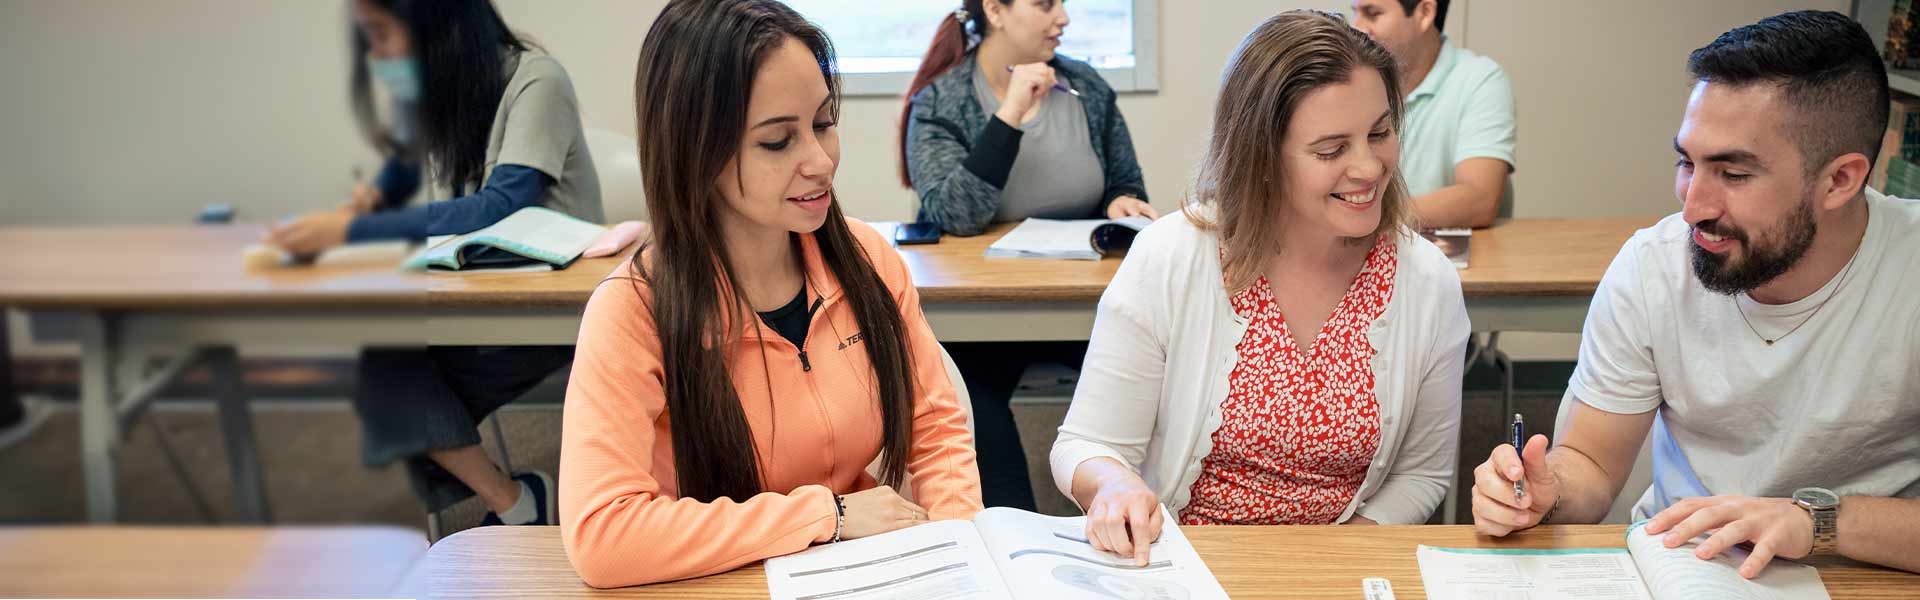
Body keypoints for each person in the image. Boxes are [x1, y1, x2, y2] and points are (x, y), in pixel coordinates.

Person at [1469, 10, 1920, 577]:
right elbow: (1590, 462)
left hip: (1867, 572)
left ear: (1840, 180)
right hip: (1684, 567)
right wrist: (1544, 492)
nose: (1693, 208)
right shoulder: (1653, 266)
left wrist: (1814, 523)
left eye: (1734, 175)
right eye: (1687, 162)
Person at [559, 0, 983, 587]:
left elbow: (935, 428)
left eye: (824, 123)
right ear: (695, 150)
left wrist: (957, 553)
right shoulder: (633, 308)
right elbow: (603, 535)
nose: (820, 161)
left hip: (857, 575)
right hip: (712, 582)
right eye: (778, 142)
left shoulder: (867, 259)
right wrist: (825, 516)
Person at [1050, 10, 1469, 566]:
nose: (1368, 166)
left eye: (1380, 132)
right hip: (1184, 559)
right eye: (1330, 150)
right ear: (1261, 156)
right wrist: (1111, 485)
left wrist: (1338, 558)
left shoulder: (1425, 280)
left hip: (1342, 560)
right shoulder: (1173, 257)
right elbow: (1086, 444)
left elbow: (1423, 472)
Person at [264, 0, 603, 526]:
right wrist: (369, 200)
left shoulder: (539, 81)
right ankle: (515, 501)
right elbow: (402, 168)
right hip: (469, 302)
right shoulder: (440, 87)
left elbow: (500, 204)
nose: (375, 54)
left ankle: (499, 494)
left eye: (380, 34)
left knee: (391, 398)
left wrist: (350, 231)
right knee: (388, 374)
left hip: (547, 304)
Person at [898, 0, 1152, 511]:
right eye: (1044, 4)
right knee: (969, 399)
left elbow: (1125, 181)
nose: (1063, 18)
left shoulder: (1088, 88)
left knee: (1148, 382)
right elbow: (954, 213)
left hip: (1086, 303)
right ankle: (1013, 528)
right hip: (987, 312)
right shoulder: (940, 102)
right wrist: (1009, 115)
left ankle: (1133, 510)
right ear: (995, 9)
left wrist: (1122, 200)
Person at [1352, 0, 1515, 228]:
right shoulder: (1353, 83)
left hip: (1461, 258)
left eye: (1373, 13)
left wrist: (1359, 217)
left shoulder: (1480, 79)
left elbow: (1480, 200)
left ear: (1425, 12)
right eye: (1355, 12)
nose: (1357, 27)